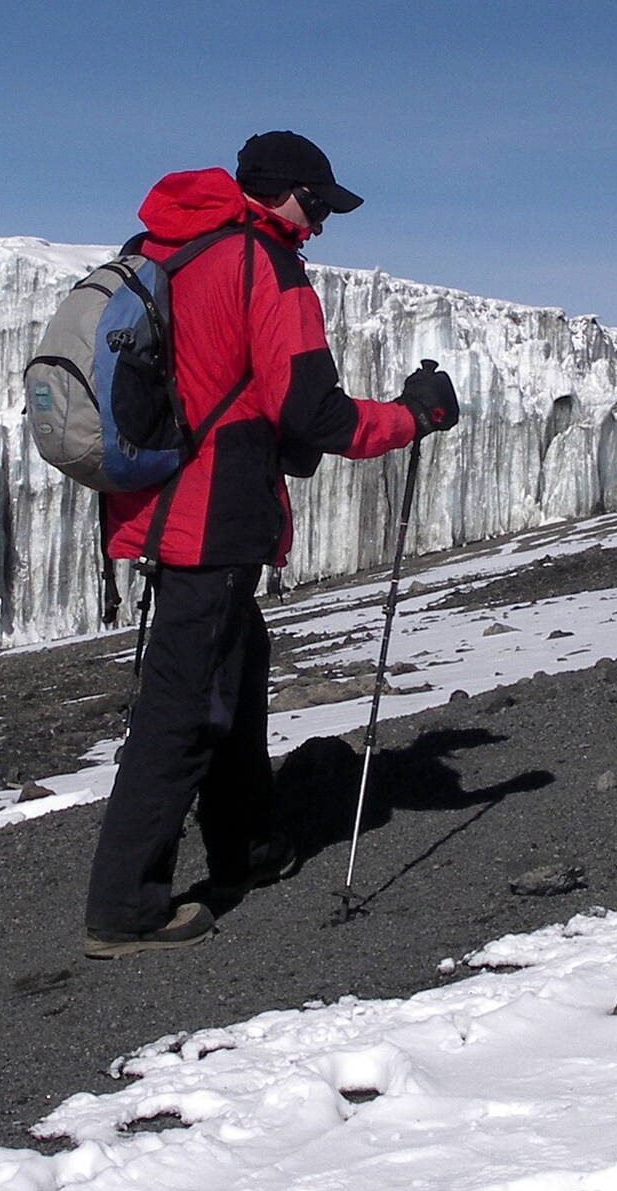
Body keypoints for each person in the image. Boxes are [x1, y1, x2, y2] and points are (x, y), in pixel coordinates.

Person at [84, 132, 460, 956]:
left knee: (235, 672)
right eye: (318, 205)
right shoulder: (264, 265)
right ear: (284, 194)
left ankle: (242, 847)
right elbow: (312, 414)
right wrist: (413, 415)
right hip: (214, 516)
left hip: (164, 501)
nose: (321, 225)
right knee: (181, 710)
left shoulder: (166, 250)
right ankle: (125, 907)